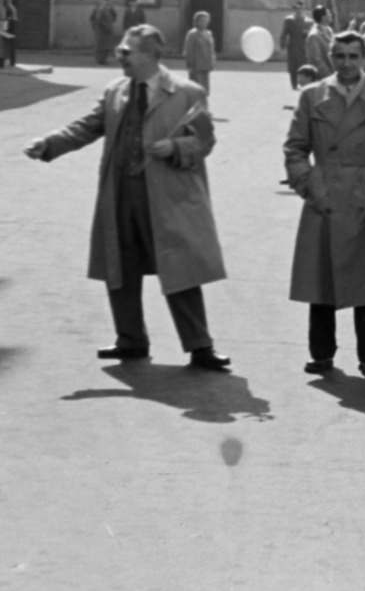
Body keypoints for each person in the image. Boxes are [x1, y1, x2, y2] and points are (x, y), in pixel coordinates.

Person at [23, 24, 231, 370]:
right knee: (120, 267)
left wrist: (175, 147)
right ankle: (131, 340)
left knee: (179, 268)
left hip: (167, 198)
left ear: (148, 55)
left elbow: (205, 141)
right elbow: (85, 127)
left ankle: (200, 346)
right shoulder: (115, 92)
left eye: (126, 52)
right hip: (121, 194)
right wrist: (49, 144)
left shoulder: (186, 93)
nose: (119, 57)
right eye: (120, 51)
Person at [284, 31, 365, 378]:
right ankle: (321, 354)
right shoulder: (311, 95)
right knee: (321, 283)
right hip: (325, 197)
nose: (346, 63)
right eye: (339, 56)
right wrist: (309, 185)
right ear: (330, 57)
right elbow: (295, 149)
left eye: (353, 56)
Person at [182, 11, 216, 93]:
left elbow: (211, 49)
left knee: (204, 90)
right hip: (196, 66)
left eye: (206, 20)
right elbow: (188, 50)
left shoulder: (209, 33)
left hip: (206, 65)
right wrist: (190, 65)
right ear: (196, 21)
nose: (204, 23)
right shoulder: (192, 34)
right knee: (196, 89)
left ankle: (202, 104)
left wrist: (212, 63)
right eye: (201, 20)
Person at [305, 6, 334, 77]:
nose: (331, 14)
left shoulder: (329, 30)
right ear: (323, 17)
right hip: (323, 79)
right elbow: (316, 61)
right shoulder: (314, 36)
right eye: (329, 13)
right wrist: (329, 76)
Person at [89, 0, 118, 65]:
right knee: (100, 45)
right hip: (100, 30)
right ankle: (100, 59)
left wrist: (111, 21)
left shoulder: (109, 9)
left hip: (108, 30)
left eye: (106, 1)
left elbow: (114, 16)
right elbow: (94, 19)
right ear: (100, 1)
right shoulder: (97, 9)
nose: (105, 2)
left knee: (107, 46)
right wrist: (95, 26)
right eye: (104, 0)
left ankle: (103, 59)